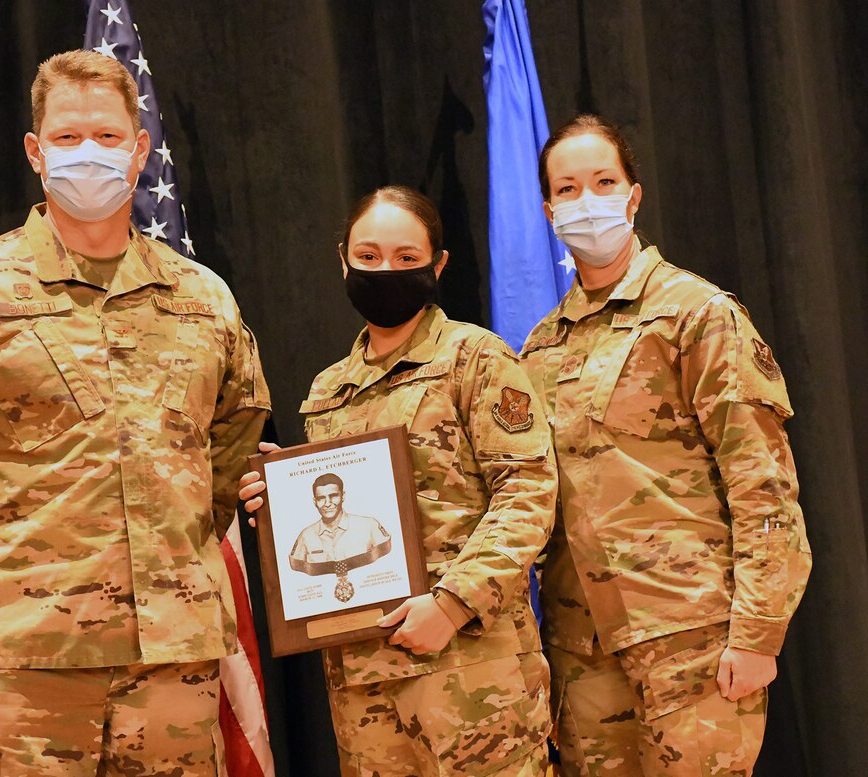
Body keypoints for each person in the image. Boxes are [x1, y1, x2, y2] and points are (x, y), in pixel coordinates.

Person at [0, 50, 270, 777]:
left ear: (141, 151)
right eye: (70, 136)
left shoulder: (204, 301)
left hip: (170, 670)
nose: (90, 153)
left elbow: (229, 444)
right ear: (35, 150)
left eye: (109, 138)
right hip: (17, 666)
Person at [521, 114, 812, 776]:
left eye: (602, 181)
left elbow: (763, 483)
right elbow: (519, 496)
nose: (585, 200)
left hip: (692, 641)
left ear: (633, 194)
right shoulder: (539, 348)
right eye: (567, 189)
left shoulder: (697, 314)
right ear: (548, 209)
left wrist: (759, 632)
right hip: (581, 655)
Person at [240, 185, 558, 775]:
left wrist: (453, 603)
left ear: (438, 264)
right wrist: (276, 502)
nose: (386, 270)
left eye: (406, 257)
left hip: (470, 670)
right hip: (362, 683)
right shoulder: (327, 390)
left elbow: (528, 496)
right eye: (369, 256)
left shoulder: (477, 359)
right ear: (343, 260)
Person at [289, 472, 393, 602]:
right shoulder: (306, 536)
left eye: (333, 496)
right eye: (321, 498)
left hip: (374, 598)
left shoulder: (369, 526)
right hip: (324, 605)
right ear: (314, 501)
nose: (327, 503)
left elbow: (388, 566)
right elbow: (298, 578)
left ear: (343, 496)